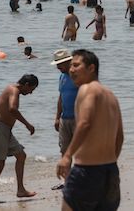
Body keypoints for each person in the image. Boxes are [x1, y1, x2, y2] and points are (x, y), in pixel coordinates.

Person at [56, 50, 124, 211]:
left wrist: (67, 156)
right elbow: (120, 136)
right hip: (111, 171)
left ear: (91, 68)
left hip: (87, 171)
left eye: (76, 65)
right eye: (71, 66)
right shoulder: (110, 95)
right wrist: (110, 162)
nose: (71, 70)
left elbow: (85, 123)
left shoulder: (87, 89)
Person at [0, 74, 38, 204]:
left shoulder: (13, 90)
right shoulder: (14, 90)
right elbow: (12, 109)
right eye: (31, 89)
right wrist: (27, 124)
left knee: (21, 155)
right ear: (26, 85)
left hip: (5, 130)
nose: (30, 93)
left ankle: (20, 190)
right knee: (0, 162)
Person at [52, 50, 78, 181]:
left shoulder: (79, 76)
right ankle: (67, 181)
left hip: (79, 119)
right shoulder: (62, 77)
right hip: (64, 119)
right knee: (64, 150)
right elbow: (61, 97)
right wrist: (57, 117)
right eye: (57, 64)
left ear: (69, 62)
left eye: (60, 64)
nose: (58, 67)